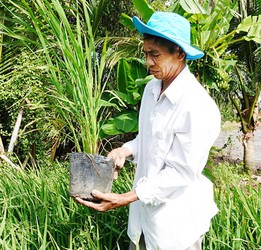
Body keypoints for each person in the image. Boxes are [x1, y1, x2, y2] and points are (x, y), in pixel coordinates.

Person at [75, 12, 221, 250]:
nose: (148, 62)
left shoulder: (197, 105)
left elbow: (181, 172)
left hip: (176, 227)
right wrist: (125, 150)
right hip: (143, 221)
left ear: (180, 54)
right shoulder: (152, 89)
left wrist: (125, 198)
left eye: (156, 55)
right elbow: (149, 138)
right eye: (146, 54)